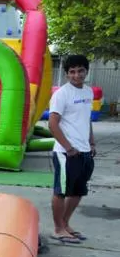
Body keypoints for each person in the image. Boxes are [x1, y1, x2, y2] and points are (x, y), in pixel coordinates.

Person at [48, 54, 96, 244]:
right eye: (72, 72)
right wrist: (68, 148)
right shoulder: (62, 94)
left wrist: (91, 143)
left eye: (80, 71)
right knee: (61, 191)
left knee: (78, 191)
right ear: (67, 74)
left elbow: (87, 119)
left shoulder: (88, 92)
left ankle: (66, 224)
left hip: (84, 151)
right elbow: (53, 124)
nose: (77, 75)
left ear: (86, 72)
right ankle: (58, 229)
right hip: (65, 153)